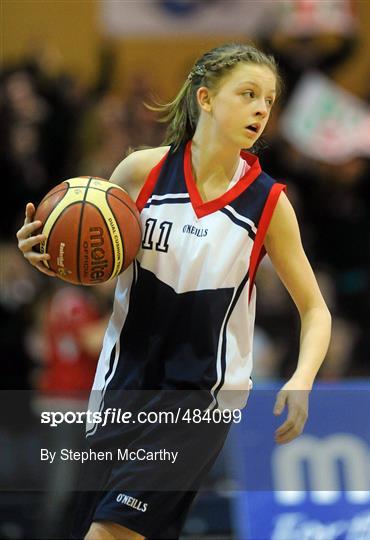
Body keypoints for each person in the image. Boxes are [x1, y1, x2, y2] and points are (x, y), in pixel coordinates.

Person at [16, 43, 332, 540]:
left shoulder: (269, 202)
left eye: (268, 100)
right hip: (121, 386)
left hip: (199, 400)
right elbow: (95, 264)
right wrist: (49, 257)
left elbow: (316, 309)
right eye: (247, 94)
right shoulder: (140, 172)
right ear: (205, 98)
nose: (260, 109)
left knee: (110, 535)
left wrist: (303, 380)